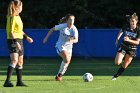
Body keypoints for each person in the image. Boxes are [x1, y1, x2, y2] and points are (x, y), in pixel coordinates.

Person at [4, 0, 33, 87]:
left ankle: (19, 82)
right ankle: (7, 82)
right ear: (17, 7)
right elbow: (11, 33)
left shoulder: (18, 17)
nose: (22, 8)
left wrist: (27, 37)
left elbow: (19, 31)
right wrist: (16, 42)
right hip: (13, 40)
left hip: (20, 40)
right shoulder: (12, 17)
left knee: (20, 62)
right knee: (14, 60)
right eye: (21, 6)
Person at [43, 14, 78, 81]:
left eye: (73, 20)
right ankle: (59, 75)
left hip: (69, 47)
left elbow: (76, 40)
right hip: (60, 45)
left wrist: (71, 40)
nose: (71, 21)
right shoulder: (62, 26)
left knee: (66, 62)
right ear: (67, 20)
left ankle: (59, 75)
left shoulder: (74, 29)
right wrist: (46, 38)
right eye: (70, 20)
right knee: (66, 59)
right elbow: (52, 29)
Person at [112, 13, 140, 80]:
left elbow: (137, 42)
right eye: (131, 21)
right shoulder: (126, 26)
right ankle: (122, 59)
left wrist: (129, 40)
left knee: (125, 65)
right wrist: (117, 38)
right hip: (124, 46)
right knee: (117, 62)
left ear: (136, 21)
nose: (132, 22)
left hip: (132, 49)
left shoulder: (138, 30)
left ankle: (116, 75)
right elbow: (121, 30)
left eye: (133, 21)